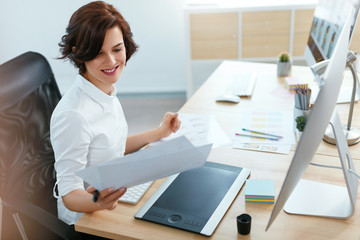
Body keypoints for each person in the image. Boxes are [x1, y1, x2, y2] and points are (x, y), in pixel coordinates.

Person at [50, 1, 181, 226]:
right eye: (98, 53)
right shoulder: (74, 115)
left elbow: (114, 146)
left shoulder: (104, 89)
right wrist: (98, 202)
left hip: (113, 190)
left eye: (117, 49)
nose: (111, 61)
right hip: (86, 219)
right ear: (79, 53)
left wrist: (159, 133)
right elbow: (69, 195)